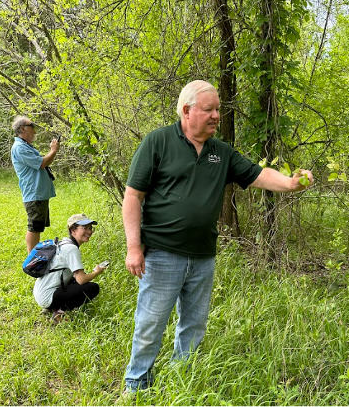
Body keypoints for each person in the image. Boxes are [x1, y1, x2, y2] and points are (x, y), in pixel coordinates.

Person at [122, 80, 314, 393]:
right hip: (161, 254)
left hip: (202, 257)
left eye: (218, 110)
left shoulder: (220, 152)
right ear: (187, 111)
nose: (216, 116)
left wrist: (290, 184)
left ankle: (182, 377)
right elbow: (133, 197)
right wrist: (134, 247)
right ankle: (136, 385)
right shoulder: (158, 142)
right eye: (209, 110)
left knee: (194, 324)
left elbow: (257, 174)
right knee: (150, 323)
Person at [33, 213, 107, 324]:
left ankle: (50, 307)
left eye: (91, 228)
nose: (90, 231)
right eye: (85, 228)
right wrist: (97, 272)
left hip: (41, 292)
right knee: (92, 288)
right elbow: (81, 279)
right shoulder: (72, 249)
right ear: (73, 230)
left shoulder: (63, 243)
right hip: (48, 296)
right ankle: (59, 311)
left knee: (74, 280)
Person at [11, 115, 60, 254]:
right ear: (22, 128)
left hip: (38, 193)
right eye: (32, 126)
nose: (34, 130)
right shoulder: (20, 148)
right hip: (34, 194)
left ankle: (34, 256)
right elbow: (42, 163)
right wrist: (53, 150)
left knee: (37, 227)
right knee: (34, 227)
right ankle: (32, 260)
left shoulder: (25, 146)